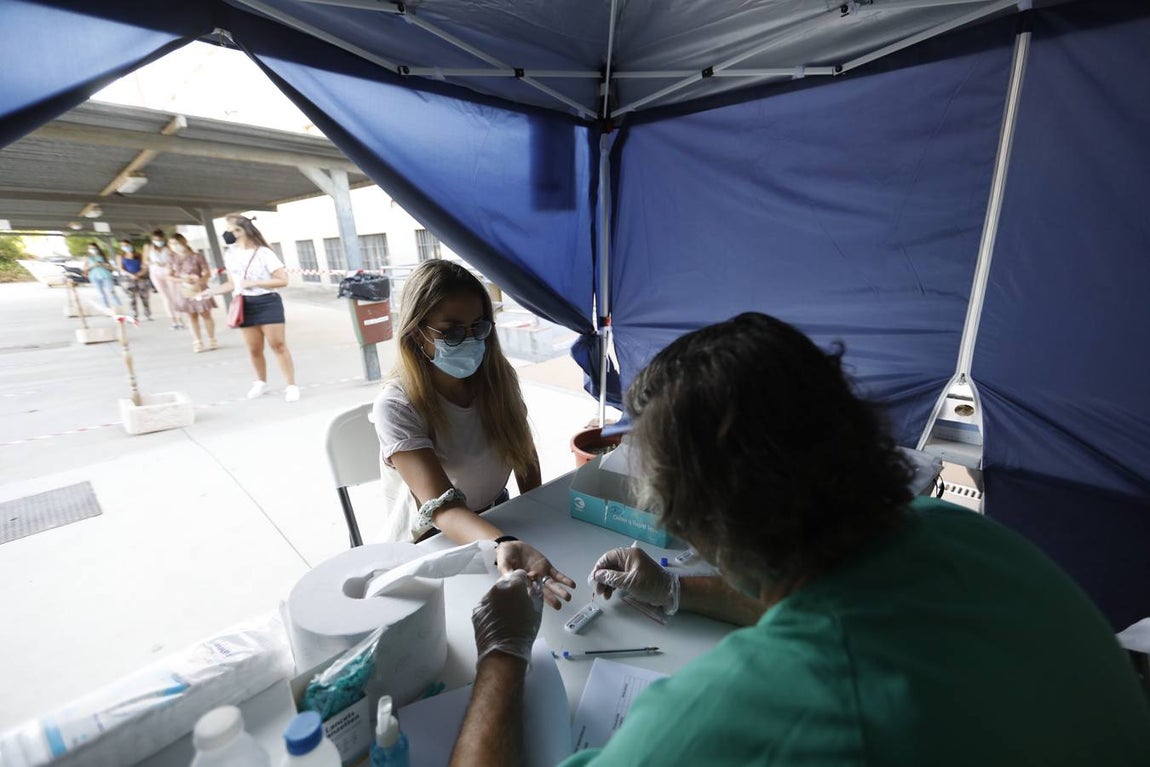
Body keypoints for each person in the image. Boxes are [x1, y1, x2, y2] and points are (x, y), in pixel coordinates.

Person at [451, 312, 1150, 766]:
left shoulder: (738, 712)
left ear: (705, 521)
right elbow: (842, 602)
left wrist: (504, 653)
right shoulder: (962, 536)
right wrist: (673, 589)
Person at [372, 259, 575, 608]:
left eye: (478, 328)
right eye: (451, 332)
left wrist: (540, 512)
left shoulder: (496, 378)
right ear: (417, 331)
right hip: (432, 541)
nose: (467, 340)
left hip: (500, 518)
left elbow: (522, 454)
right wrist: (503, 544)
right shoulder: (397, 404)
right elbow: (442, 507)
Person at [201, 215, 299, 402]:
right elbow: (232, 283)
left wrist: (254, 282)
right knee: (254, 348)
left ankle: (291, 385)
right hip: (244, 304)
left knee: (278, 345)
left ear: (240, 231)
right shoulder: (230, 254)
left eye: (229, 229)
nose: (226, 233)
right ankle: (260, 382)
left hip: (268, 301)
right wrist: (211, 292)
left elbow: (282, 280)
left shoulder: (264, 253)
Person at [168, 233, 218, 353]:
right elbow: (169, 276)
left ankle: (212, 339)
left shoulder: (197, 256)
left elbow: (207, 272)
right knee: (191, 316)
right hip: (184, 290)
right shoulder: (172, 258)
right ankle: (197, 341)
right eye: (172, 244)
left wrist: (199, 281)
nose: (174, 246)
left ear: (183, 242)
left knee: (206, 314)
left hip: (199, 288)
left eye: (176, 243)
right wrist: (182, 279)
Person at [145, 229, 183, 330]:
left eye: (160, 239)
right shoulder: (148, 247)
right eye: (156, 239)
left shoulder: (168, 247)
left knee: (175, 297)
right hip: (156, 273)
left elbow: (175, 258)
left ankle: (179, 319)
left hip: (168, 273)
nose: (158, 241)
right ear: (152, 239)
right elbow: (145, 261)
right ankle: (173, 321)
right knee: (166, 298)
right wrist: (154, 263)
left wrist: (166, 264)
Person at [116, 238, 151, 321]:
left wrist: (139, 274)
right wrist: (131, 275)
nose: (125, 247)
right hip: (128, 279)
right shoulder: (120, 256)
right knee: (132, 298)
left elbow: (145, 266)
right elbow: (121, 268)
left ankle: (147, 314)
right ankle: (134, 315)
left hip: (141, 278)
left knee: (144, 297)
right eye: (123, 246)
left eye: (127, 245)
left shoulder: (139, 255)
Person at [81, 242, 119, 310]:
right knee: (101, 294)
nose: (92, 249)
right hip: (94, 277)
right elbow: (84, 269)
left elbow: (112, 268)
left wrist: (102, 264)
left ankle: (119, 307)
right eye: (90, 248)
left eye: (94, 248)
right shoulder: (87, 258)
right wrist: (93, 265)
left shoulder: (103, 257)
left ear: (97, 248)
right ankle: (107, 308)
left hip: (106, 276)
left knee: (111, 292)